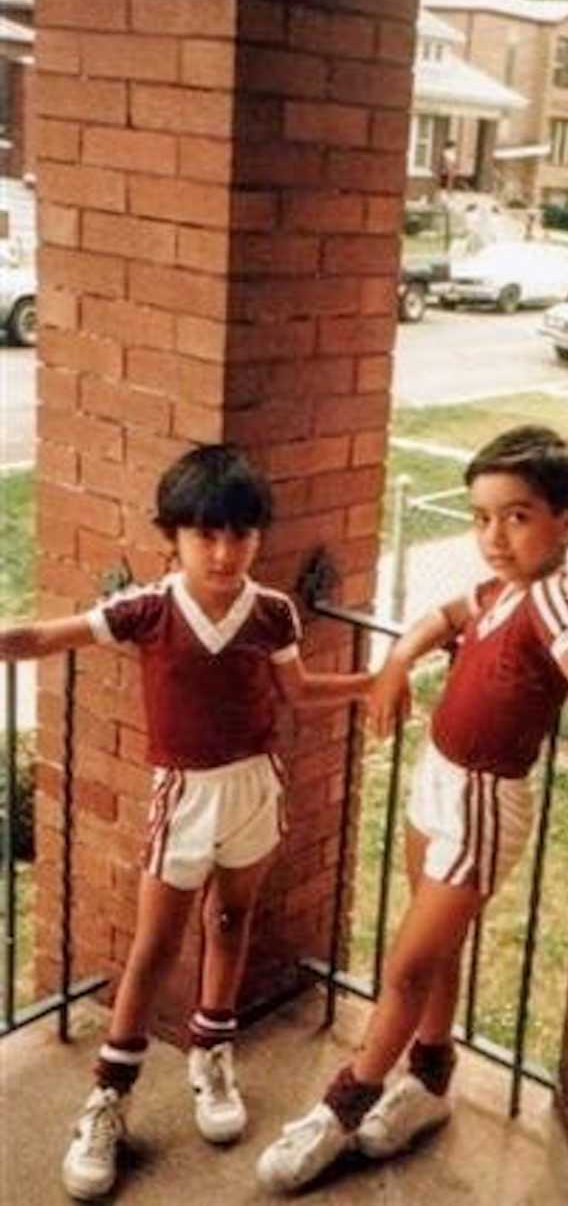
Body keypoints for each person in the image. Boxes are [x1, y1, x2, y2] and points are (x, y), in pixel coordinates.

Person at [256, 425, 568, 1192]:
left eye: (516, 516)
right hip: (436, 782)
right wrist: (392, 666)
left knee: (409, 965)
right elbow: (439, 618)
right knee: (432, 951)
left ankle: (342, 1108)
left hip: (482, 802)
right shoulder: (497, 589)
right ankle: (430, 1081)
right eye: (481, 516)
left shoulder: (552, 605)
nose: (492, 535)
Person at [0, 444, 373, 1201]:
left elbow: (298, 692)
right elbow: (44, 637)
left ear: (257, 537)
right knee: (154, 947)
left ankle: (212, 1049)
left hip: (254, 790)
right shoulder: (147, 609)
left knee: (231, 920)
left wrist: (381, 679)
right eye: (206, 533)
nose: (225, 550)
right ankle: (108, 1096)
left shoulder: (272, 611)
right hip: (184, 796)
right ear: (172, 536)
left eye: (241, 534)